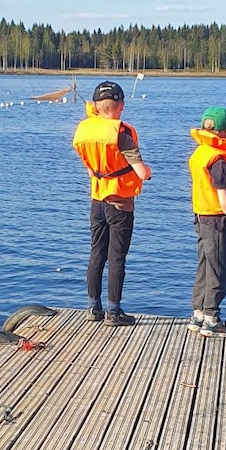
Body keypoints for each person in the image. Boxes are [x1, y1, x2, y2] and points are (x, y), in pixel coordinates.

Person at [71, 80, 152, 324]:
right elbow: (141, 173)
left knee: (97, 253)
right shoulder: (122, 133)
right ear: (121, 105)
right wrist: (147, 172)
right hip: (120, 203)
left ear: (96, 106)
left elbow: (90, 168)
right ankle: (114, 312)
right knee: (117, 257)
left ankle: (93, 308)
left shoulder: (85, 129)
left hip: (97, 200)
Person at [187, 104, 226, 336]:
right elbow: (222, 200)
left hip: (201, 218)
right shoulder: (220, 160)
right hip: (217, 221)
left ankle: (197, 315)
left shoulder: (201, 153)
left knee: (204, 266)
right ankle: (211, 317)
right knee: (219, 271)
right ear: (225, 132)